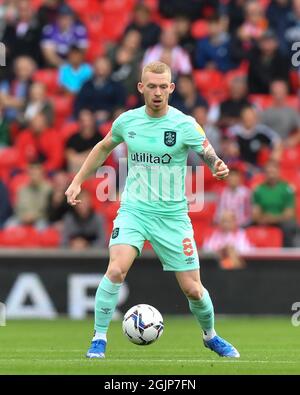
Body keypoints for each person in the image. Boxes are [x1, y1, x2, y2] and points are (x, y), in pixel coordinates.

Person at [65, 61, 240, 359]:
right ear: (141, 88)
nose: (157, 92)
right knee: (116, 269)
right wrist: (78, 180)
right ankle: (99, 339)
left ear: (171, 88)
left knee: (194, 290)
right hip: (134, 210)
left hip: (173, 217)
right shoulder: (127, 122)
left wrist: (217, 165)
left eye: (163, 86)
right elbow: (103, 146)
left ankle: (210, 336)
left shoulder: (184, 123)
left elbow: (207, 151)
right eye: (152, 86)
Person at [252, 160, 297, 247]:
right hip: (264, 219)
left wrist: (272, 219)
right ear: (264, 173)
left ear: (278, 171)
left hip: (281, 221)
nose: (271, 175)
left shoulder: (287, 189)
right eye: (268, 172)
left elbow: (289, 214)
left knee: (289, 226)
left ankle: (287, 255)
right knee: (246, 227)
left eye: (273, 171)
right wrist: (263, 219)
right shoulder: (259, 190)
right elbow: (255, 214)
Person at [261, 80, 300, 146]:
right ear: (271, 94)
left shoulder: (291, 112)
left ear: (286, 93)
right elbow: (258, 130)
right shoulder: (266, 112)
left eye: (280, 92)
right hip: (270, 144)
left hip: (286, 145)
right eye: (275, 93)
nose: (278, 96)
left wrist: (293, 139)